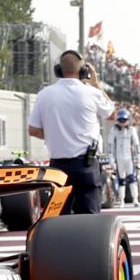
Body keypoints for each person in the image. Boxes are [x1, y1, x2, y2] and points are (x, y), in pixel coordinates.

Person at [28, 51, 104, 215]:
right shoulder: (92, 92)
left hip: (58, 166)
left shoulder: (44, 94)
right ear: (83, 71)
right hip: (86, 164)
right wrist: (96, 83)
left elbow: (33, 130)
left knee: (59, 218)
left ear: (58, 70)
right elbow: (111, 113)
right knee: (90, 219)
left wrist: (53, 134)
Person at [110, 107, 140, 206]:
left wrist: (139, 158)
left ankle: (135, 199)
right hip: (119, 158)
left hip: (129, 158)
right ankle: (121, 200)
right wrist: (111, 159)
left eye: (124, 120)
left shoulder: (132, 130)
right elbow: (110, 146)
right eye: (120, 120)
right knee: (121, 180)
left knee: (132, 179)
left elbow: (136, 145)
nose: (122, 122)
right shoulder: (114, 130)